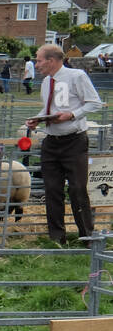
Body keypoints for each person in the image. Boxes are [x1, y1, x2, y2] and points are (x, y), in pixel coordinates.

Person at [26, 43, 104, 244]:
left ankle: (87, 236)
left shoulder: (76, 76)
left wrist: (72, 114)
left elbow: (94, 102)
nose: (36, 64)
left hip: (74, 141)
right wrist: (38, 119)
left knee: (78, 189)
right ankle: (57, 238)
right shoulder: (46, 82)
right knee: (52, 190)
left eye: (39, 59)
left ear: (51, 61)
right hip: (51, 141)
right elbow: (49, 108)